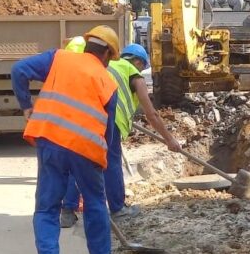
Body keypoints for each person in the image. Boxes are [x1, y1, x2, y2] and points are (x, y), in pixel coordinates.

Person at [10, 26, 124, 254]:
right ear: (107, 54)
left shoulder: (59, 58)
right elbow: (108, 132)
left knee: (47, 208)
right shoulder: (108, 82)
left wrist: (26, 105)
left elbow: (18, 70)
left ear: (87, 45)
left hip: (50, 141)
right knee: (95, 203)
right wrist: (103, 159)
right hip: (86, 149)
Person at [60, 42, 182, 225]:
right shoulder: (134, 74)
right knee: (111, 163)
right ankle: (118, 209)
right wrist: (169, 139)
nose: (141, 70)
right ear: (138, 62)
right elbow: (151, 114)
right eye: (142, 67)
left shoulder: (105, 64)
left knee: (79, 162)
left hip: (84, 117)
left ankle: (67, 212)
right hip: (109, 122)